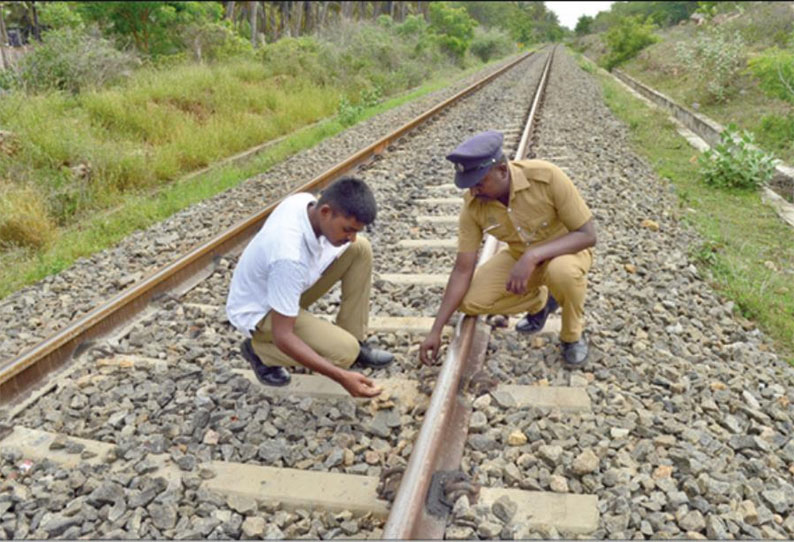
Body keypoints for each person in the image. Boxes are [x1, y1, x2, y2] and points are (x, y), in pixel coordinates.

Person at [419, 131, 596, 368]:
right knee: (470, 302)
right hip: (518, 257)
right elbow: (463, 269)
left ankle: (572, 337)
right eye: (469, 186)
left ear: (502, 170)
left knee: (562, 273)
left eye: (479, 184)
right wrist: (436, 329)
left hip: (566, 252)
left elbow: (587, 234)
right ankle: (542, 303)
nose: (473, 192)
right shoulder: (473, 206)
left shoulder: (546, 177)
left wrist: (533, 256)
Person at [226, 177, 394, 398]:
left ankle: (356, 340)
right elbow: (283, 335)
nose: (351, 237)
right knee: (344, 353)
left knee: (360, 250)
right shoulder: (289, 254)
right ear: (326, 212)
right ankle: (258, 351)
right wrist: (340, 376)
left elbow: (338, 247)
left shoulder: (304, 202)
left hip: (284, 286)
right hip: (261, 310)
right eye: (347, 230)